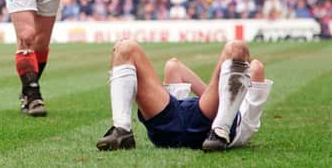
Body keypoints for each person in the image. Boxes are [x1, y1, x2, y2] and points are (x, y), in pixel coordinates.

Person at [96, 39, 273, 151]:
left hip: (213, 124)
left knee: (237, 48)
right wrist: (218, 86)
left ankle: (220, 132)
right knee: (125, 48)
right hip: (179, 117)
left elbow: (257, 67)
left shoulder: (246, 115)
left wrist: (238, 70)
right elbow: (174, 67)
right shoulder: (223, 93)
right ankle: (122, 131)